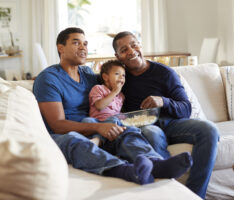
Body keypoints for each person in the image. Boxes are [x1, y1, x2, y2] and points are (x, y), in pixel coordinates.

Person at [32, 27, 193, 186]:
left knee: (126, 129)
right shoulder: (48, 78)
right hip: (66, 135)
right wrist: (97, 128)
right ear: (61, 48)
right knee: (75, 140)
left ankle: (156, 164)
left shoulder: (88, 74)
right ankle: (126, 171)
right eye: (76, 43)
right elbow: (57, 125)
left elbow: (112, 81)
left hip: (96, 129)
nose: (83, 48)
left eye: (85, 44)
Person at [113, 31, 219, 198]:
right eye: (124, 49)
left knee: (209, 130)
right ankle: (169, 194)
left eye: (134, 45)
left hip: (172, 124)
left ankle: (195, 195)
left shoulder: (164, 73)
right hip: (144, 125)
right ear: (118, 56)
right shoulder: (119, 77)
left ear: (140, 45)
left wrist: (163, 101)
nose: (131, 51)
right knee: (152, 133)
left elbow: (186, 108)